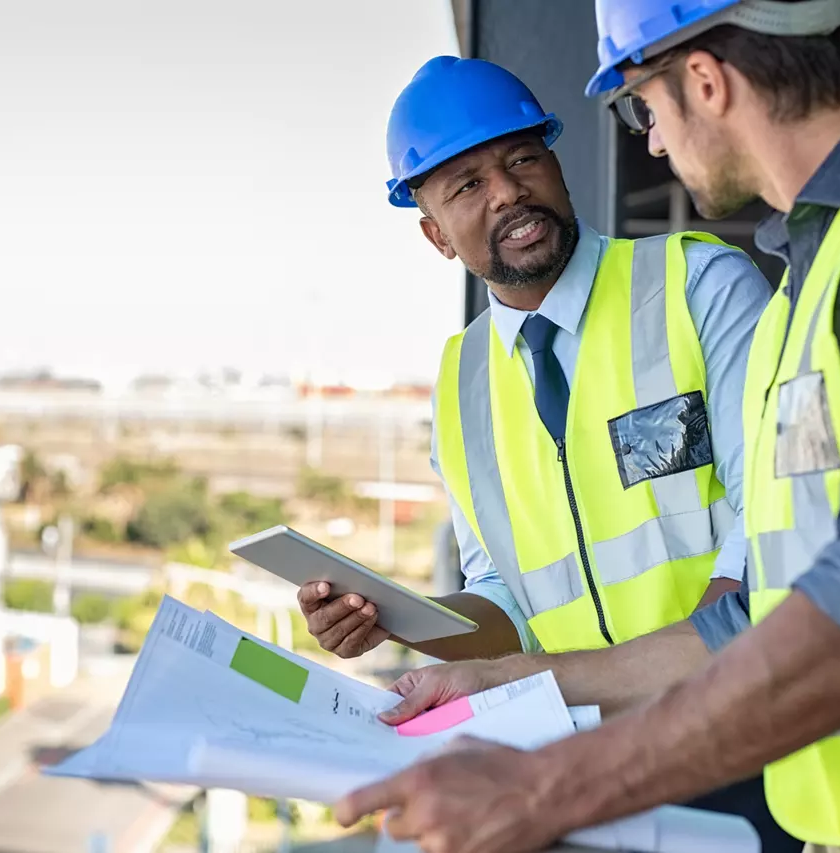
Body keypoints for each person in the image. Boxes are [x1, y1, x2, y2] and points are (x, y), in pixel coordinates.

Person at [331, 2, 840, 852]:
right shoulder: (820, 270)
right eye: (466, 184)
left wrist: (548, 788)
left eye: (640, 104)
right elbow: (765, 608)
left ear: (706, 81)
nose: (649, 140)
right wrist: (488, 671)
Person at [296, 54, 794, 849]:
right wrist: (396, 618)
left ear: (556, 163)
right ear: (434, 233)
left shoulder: (698, 285)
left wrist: (685, 690)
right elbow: (504, 601)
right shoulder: (460, 384)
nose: (508, 192)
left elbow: (771, 522)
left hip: (741, 730)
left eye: (522, 158)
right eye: (467, 185)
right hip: (570, 771)